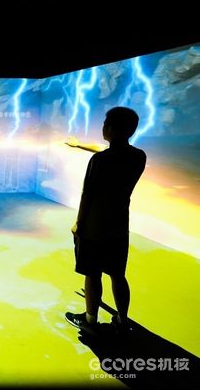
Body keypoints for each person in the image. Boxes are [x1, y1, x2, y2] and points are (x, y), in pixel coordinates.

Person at [64, 107, 146, 336]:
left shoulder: (99, 161)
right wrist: (80, 145)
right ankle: (122, 320)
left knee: (92, 273)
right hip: (119, 226)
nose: (102, 127)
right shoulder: (138, 156)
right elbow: (114, 153)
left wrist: (79, 223)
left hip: (94, 226)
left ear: (110, 128)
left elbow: (87, 195)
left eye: (104, 123)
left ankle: (90, 321)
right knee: (118, 274)